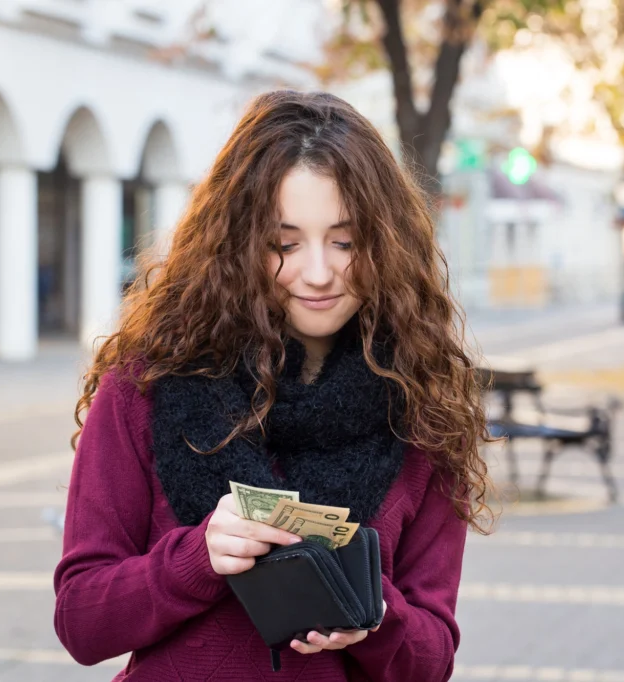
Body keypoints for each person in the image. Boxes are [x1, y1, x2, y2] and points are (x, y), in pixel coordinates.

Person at [53, 90, 493, 681]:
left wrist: (374, 614)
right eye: (283, 244)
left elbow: (432, 660)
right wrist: (196, 558)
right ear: (236, 243)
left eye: (345, 241)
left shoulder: (422, 409)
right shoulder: (146, 384)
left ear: (386, 244)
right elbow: (81, 620)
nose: (317, 273)